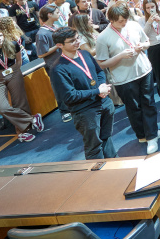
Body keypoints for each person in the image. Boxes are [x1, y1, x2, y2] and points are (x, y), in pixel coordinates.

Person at [96, 3, 160, 154]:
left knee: (149, 103)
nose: (124, 23)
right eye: (120, 21)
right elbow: (101, 64)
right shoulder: (103, 38)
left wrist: (143, 46)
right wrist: (120, 56)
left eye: (125, 19)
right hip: (123, 79)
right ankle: (143, 135)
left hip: (144, 70)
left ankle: (152, 134)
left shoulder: (133, 25)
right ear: (111, 20)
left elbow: (147, 41)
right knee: (134, 108)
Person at [50, 27, 117, 159]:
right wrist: (97, 91)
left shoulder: (85, 54)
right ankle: (98, 176)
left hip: (104, 103)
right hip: (85, 112)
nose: (77, 42)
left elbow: (99, 72)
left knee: (106, 138)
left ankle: (114, 165)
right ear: (59, 45)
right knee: (94, 146)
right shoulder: (58, 68)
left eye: (77, 38)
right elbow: (69, 96)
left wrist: (102, 85)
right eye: (72, 41)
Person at [0, 27, 43, 142]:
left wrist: (15, 71)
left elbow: (19, 61)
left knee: (20, 102)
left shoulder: (12, 44)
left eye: (1, 35)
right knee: (2, 108)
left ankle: (22, 132)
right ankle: (32, 119)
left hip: (13, 72)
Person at [35, 4, 73, 123]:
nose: (59, 14)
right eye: (57, 12)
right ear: (49, 15)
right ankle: (64, 111)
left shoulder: (55, 26)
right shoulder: (41, 34)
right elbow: (41, 54)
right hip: (54, 65)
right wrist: (57, 45)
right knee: (60, 88)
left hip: (64, 61)